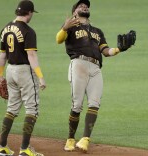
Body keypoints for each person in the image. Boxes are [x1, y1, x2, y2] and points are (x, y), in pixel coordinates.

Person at [56, 0, 135, 153]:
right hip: (78, 64)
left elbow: (106, 51)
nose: (84, 6)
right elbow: (58, 39)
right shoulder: (71, 27)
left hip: (96, 68)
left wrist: (120, 48)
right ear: (75, 12)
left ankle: (85, 139)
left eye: (86, 5)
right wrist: (65, 27)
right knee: (77, 105)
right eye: (80, 5)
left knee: (94, 104)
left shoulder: (97, 31)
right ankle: (71, 138)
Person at [0, 0, 45, 156]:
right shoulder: (28, 31)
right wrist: (41, 77)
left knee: (11, 108)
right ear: (29, 13)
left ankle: (2, 147)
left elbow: (3, 55)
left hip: (10, 71)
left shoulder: (5, 29)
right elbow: (31, 55)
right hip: (24, 72)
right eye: (32, 13)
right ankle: (25, 149)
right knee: (32, 109)